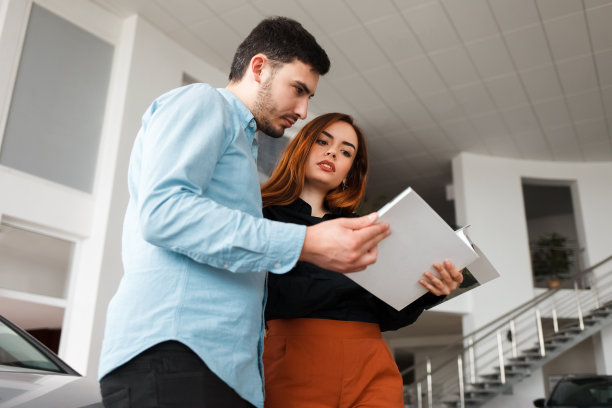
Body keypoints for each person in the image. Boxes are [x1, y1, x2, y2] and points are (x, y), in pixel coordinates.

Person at [98, 17, 391, 408]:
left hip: (222, 369)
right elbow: (164, 212)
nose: (303, 111)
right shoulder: (204, 102)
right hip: (177, 352)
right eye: (298, 90)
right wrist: (305, 241)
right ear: (258, 67)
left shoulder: (242, 151)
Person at [261, 112, 464, 408]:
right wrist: (353, 281)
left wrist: (427, 292)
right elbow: (273, 295)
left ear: (349, 172)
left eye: (346, 152)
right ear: (301, 147)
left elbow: (387, 316)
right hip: (293, 359)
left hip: (372, 363)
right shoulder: (263, 216)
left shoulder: (365, 229)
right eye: (323, 141)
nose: (333, 152)